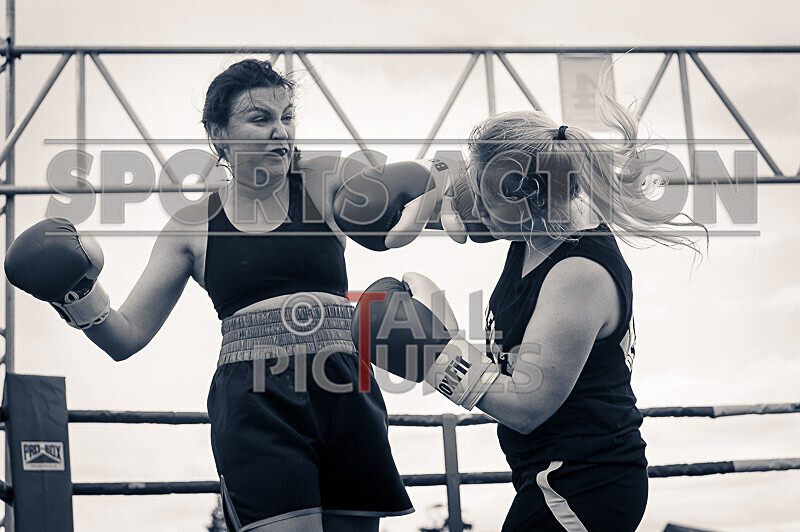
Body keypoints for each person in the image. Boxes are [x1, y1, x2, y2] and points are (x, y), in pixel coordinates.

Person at [4, 58, 466, 531]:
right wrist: (76, 292)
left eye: (287, 116)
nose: (280, 131)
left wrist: (449, 186)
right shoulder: (190, 227)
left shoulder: (325, 178)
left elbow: (404, 206)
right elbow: (126, 338)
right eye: (260, 118)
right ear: (218, 133)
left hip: (344, 386)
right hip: (257, 402)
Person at [353, 71, 703, 531]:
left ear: (523, 194)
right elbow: (467, 208)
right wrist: (420, 192)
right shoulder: (533, 235)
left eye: (482, 189)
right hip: (550, 475)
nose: (474, 199)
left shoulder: (578, 272)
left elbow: (527, 406)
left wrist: (437, 357)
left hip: (586, 483)